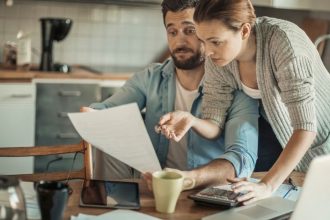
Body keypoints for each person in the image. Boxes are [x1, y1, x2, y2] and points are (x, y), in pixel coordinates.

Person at [157, 0, 330, 204]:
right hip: (287, 146)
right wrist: (192, 120)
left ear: (245, 30)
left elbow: (306, 127)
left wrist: (267, 185)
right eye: (203, 41)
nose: (208, 52)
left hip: (321, 145)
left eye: (216, 41)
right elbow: (214, 124)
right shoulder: (219, 61)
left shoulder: (284, 43)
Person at [86, 0, 259, 189]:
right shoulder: (150, 78)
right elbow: (106, 110)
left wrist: (188, 178)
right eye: (172, 32)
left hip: (203, 193)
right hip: (152, 190)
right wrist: (93, 115)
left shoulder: (237, 87)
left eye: (190, 31)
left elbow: (242, 159)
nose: (179, 42)